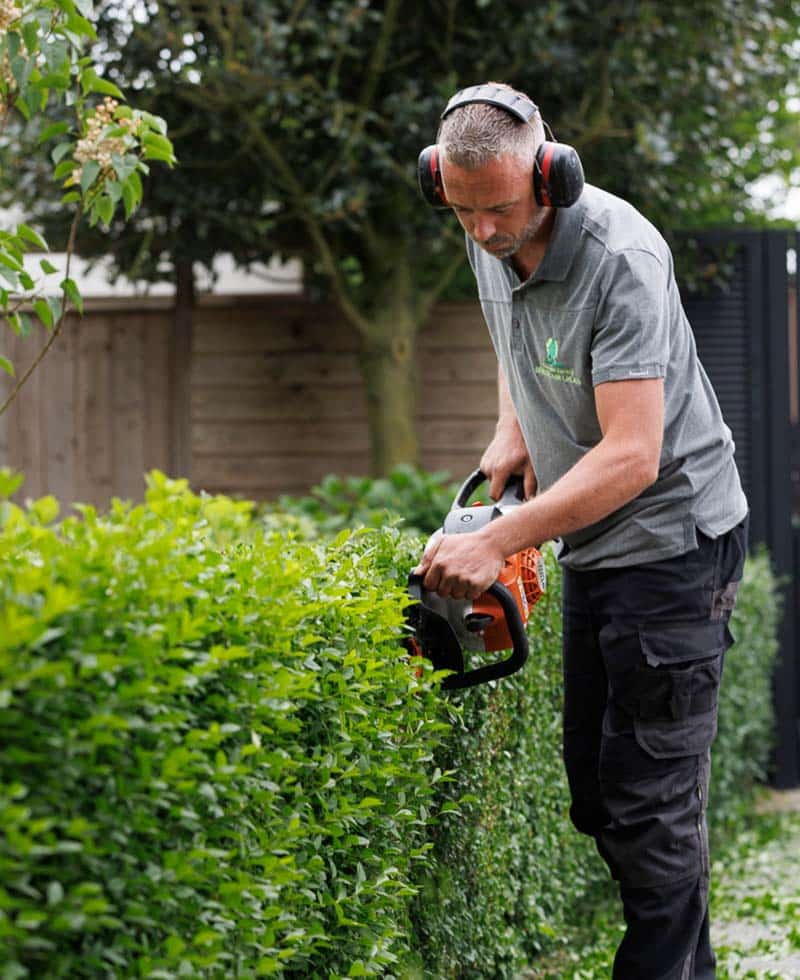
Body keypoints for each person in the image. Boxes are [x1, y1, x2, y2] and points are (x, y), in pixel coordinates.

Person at [414, 82, 749, 979]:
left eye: (498, 208)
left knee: (649, 805)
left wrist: (497, 539)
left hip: (674, 546)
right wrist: (514, 427)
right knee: (604, 798)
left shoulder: (620, 257)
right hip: (596, 543)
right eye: (463, 210)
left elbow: (634, 457)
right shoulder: (490, 232)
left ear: (551, 175)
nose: (484, 230)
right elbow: (516, 335)